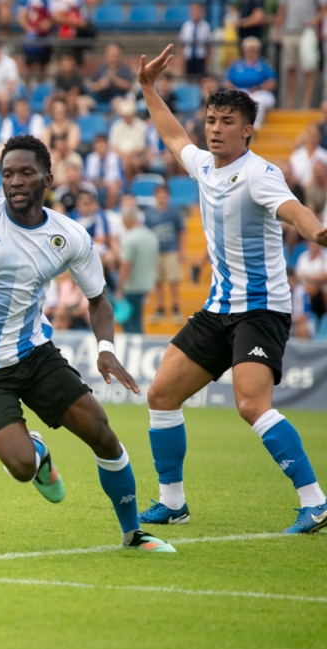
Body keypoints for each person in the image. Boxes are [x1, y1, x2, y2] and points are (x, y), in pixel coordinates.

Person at [0, 134, 176, 553]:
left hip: (34, 354)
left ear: (48, 179)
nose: (15, 181)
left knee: (101, 432)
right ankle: (36, 450)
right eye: (7, 174)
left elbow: (98, 300)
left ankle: (133, 534)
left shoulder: (69, 236)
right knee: (22, 467)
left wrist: (106, 349)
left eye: (26, 173)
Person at [138, 46, 327, 534]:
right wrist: (147, 87)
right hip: (218, 308)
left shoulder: (260, 175)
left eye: (227, 121)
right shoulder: (204, 165)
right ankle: (173, 502)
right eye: (211, 120)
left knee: (250, 405)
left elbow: (293, 210)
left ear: (247, 130)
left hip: (260, 310)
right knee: (161, 394)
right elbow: (172, 134)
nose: (215, 128)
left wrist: (318, 232)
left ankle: (315, 502)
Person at [145, 183, 185, 322]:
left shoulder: (174, 212)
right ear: (155, 196)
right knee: (158, 281)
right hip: (155, 252)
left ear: (168, 196)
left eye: (164, 194)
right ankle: (160, 308)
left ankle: (176, 308)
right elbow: (146, 234)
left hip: (171, 250)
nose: (161, 197)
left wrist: (182, 250)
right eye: (159, 194)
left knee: (173, 280)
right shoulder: (150, 214)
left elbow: (181, 232)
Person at [116, 204, 158, 333]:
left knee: (130, 323)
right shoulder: (151, 236)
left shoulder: (130, 239)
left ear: (129, 219)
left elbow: (126, 264)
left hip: (132, 286)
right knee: (138, 320)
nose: (123, 224)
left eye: (123, 220)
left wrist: (120, 287)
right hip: (146, 284)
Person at [223, 38, 277, 130]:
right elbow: (226, 82)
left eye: (253, 51)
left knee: (258, 101)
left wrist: (259, 88)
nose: (251, 53)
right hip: (240, 90)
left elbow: (272, 82)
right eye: (249, 50)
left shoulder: (263, 64)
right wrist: (234, 88)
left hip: (260, 92)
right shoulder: (236, 64)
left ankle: (254, 127)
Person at [275, 0, 320, 109]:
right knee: (290, 67)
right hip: (289, 32)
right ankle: (290, 103)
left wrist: (315, 20)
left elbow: (324, 7)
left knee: (308, 69)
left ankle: (306, 103)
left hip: (308, 32)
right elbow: (281, 10)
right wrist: (277, 31)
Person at [84, 133, 123, 208]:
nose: (101, 146)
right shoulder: (90, 158)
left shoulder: (115, 158)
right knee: (87, 189)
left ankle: (108, 210)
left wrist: (107, 183)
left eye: (103, 143)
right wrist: (97, 182)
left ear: (107, 145)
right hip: (94, 184)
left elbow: (120, 180)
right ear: (95, 145)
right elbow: (86, 178)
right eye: (98, 143)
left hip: (110, 184)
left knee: (113, 189)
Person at [179, 3, 212, 78]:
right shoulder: (186, 26)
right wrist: (180, 59)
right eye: (194, 11)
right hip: (188, 57)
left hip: (200, 57)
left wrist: (208, 59)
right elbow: (182, 44)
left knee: (200, 77)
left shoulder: (205, 27)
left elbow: (209, 45)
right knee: (188, 77)